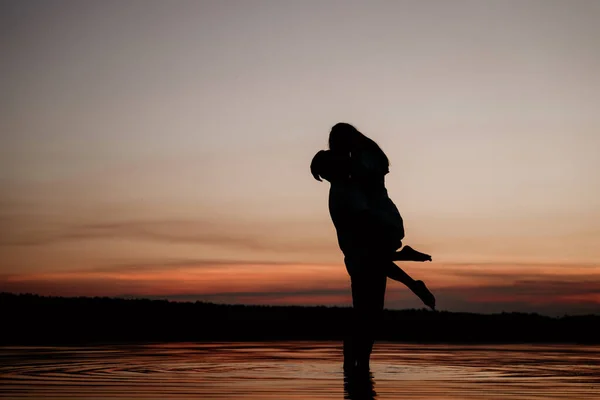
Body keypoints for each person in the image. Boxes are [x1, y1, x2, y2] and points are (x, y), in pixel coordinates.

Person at [310, 148, 435, 372]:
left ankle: (357, 373)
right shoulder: (343, 192)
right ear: (329, 171)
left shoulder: (347, 188)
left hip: (363, 256)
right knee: (366, 317)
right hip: (361, 257)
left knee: (368, 316)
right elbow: (366, 236)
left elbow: (372, 252)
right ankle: (356, 373)